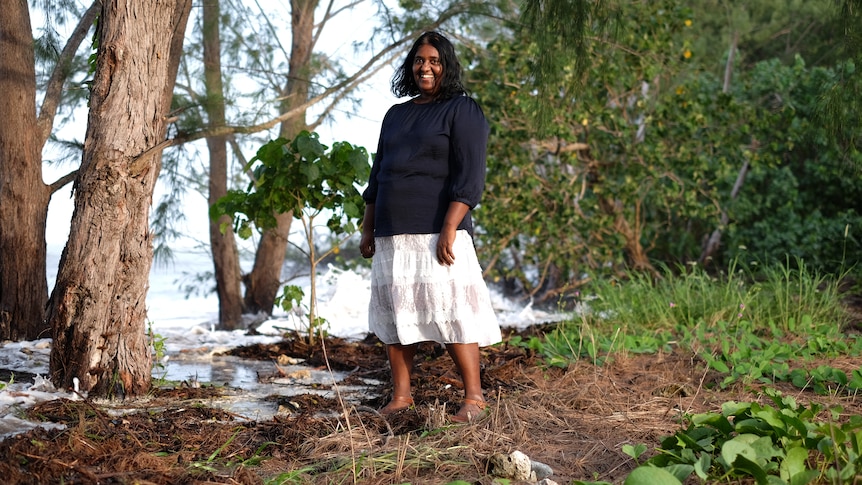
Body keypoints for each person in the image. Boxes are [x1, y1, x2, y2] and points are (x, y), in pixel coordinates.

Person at [359, 31, 502, 423]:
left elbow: (470, 175)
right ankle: (401, 397)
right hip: (392, 230)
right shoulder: (395, 115)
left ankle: (474, 398)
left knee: (453, 310)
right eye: (419, 60)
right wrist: (368, 228)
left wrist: (450, 228)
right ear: (411, 66)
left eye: (435, 61)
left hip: (438, 230)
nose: (426, 67)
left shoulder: (462, 110)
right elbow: (378, 174)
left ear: (447, 66)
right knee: (396, 315)